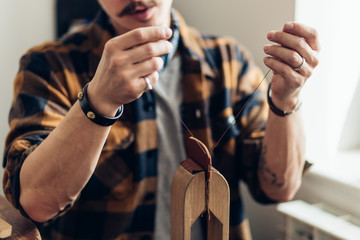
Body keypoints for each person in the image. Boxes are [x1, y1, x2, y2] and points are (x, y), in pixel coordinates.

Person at [2, 0, 320, 239]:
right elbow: (35, 203)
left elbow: (278, 189)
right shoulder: (48, 66)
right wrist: (98, 102)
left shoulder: (228, 60)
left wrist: (286, 99)